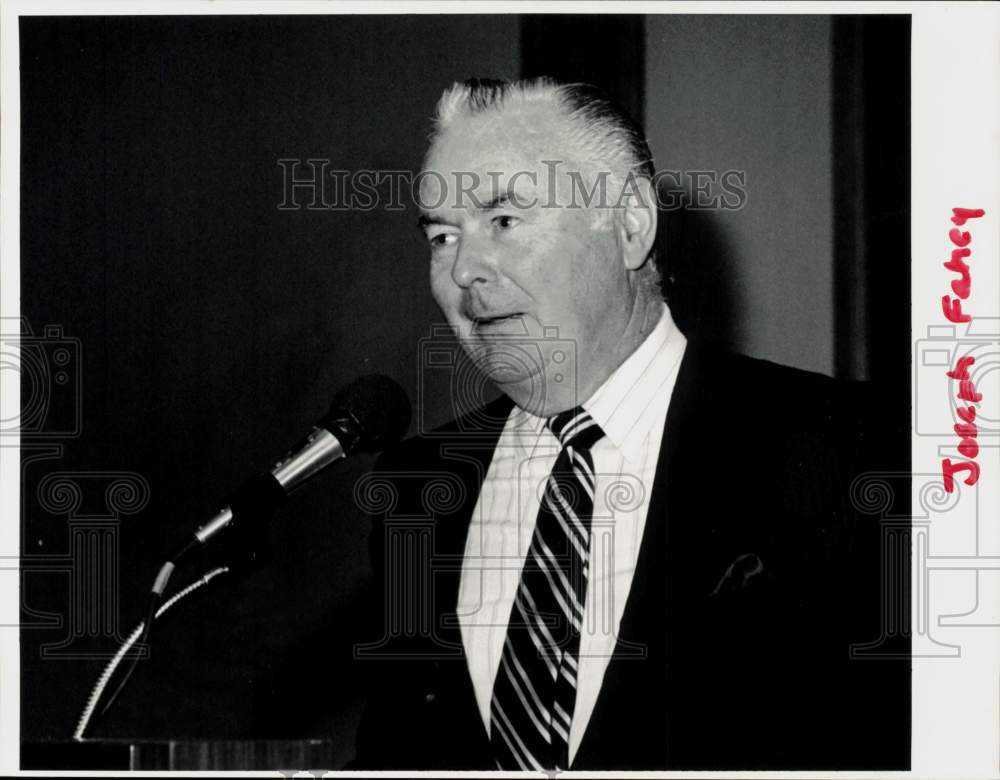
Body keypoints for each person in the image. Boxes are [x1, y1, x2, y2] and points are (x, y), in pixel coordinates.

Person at [351, 77, 909, 771]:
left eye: (504, 220)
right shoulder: (417, 488)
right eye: (440, 236)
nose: (464, 270)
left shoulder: (846, 447)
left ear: (631, 224)